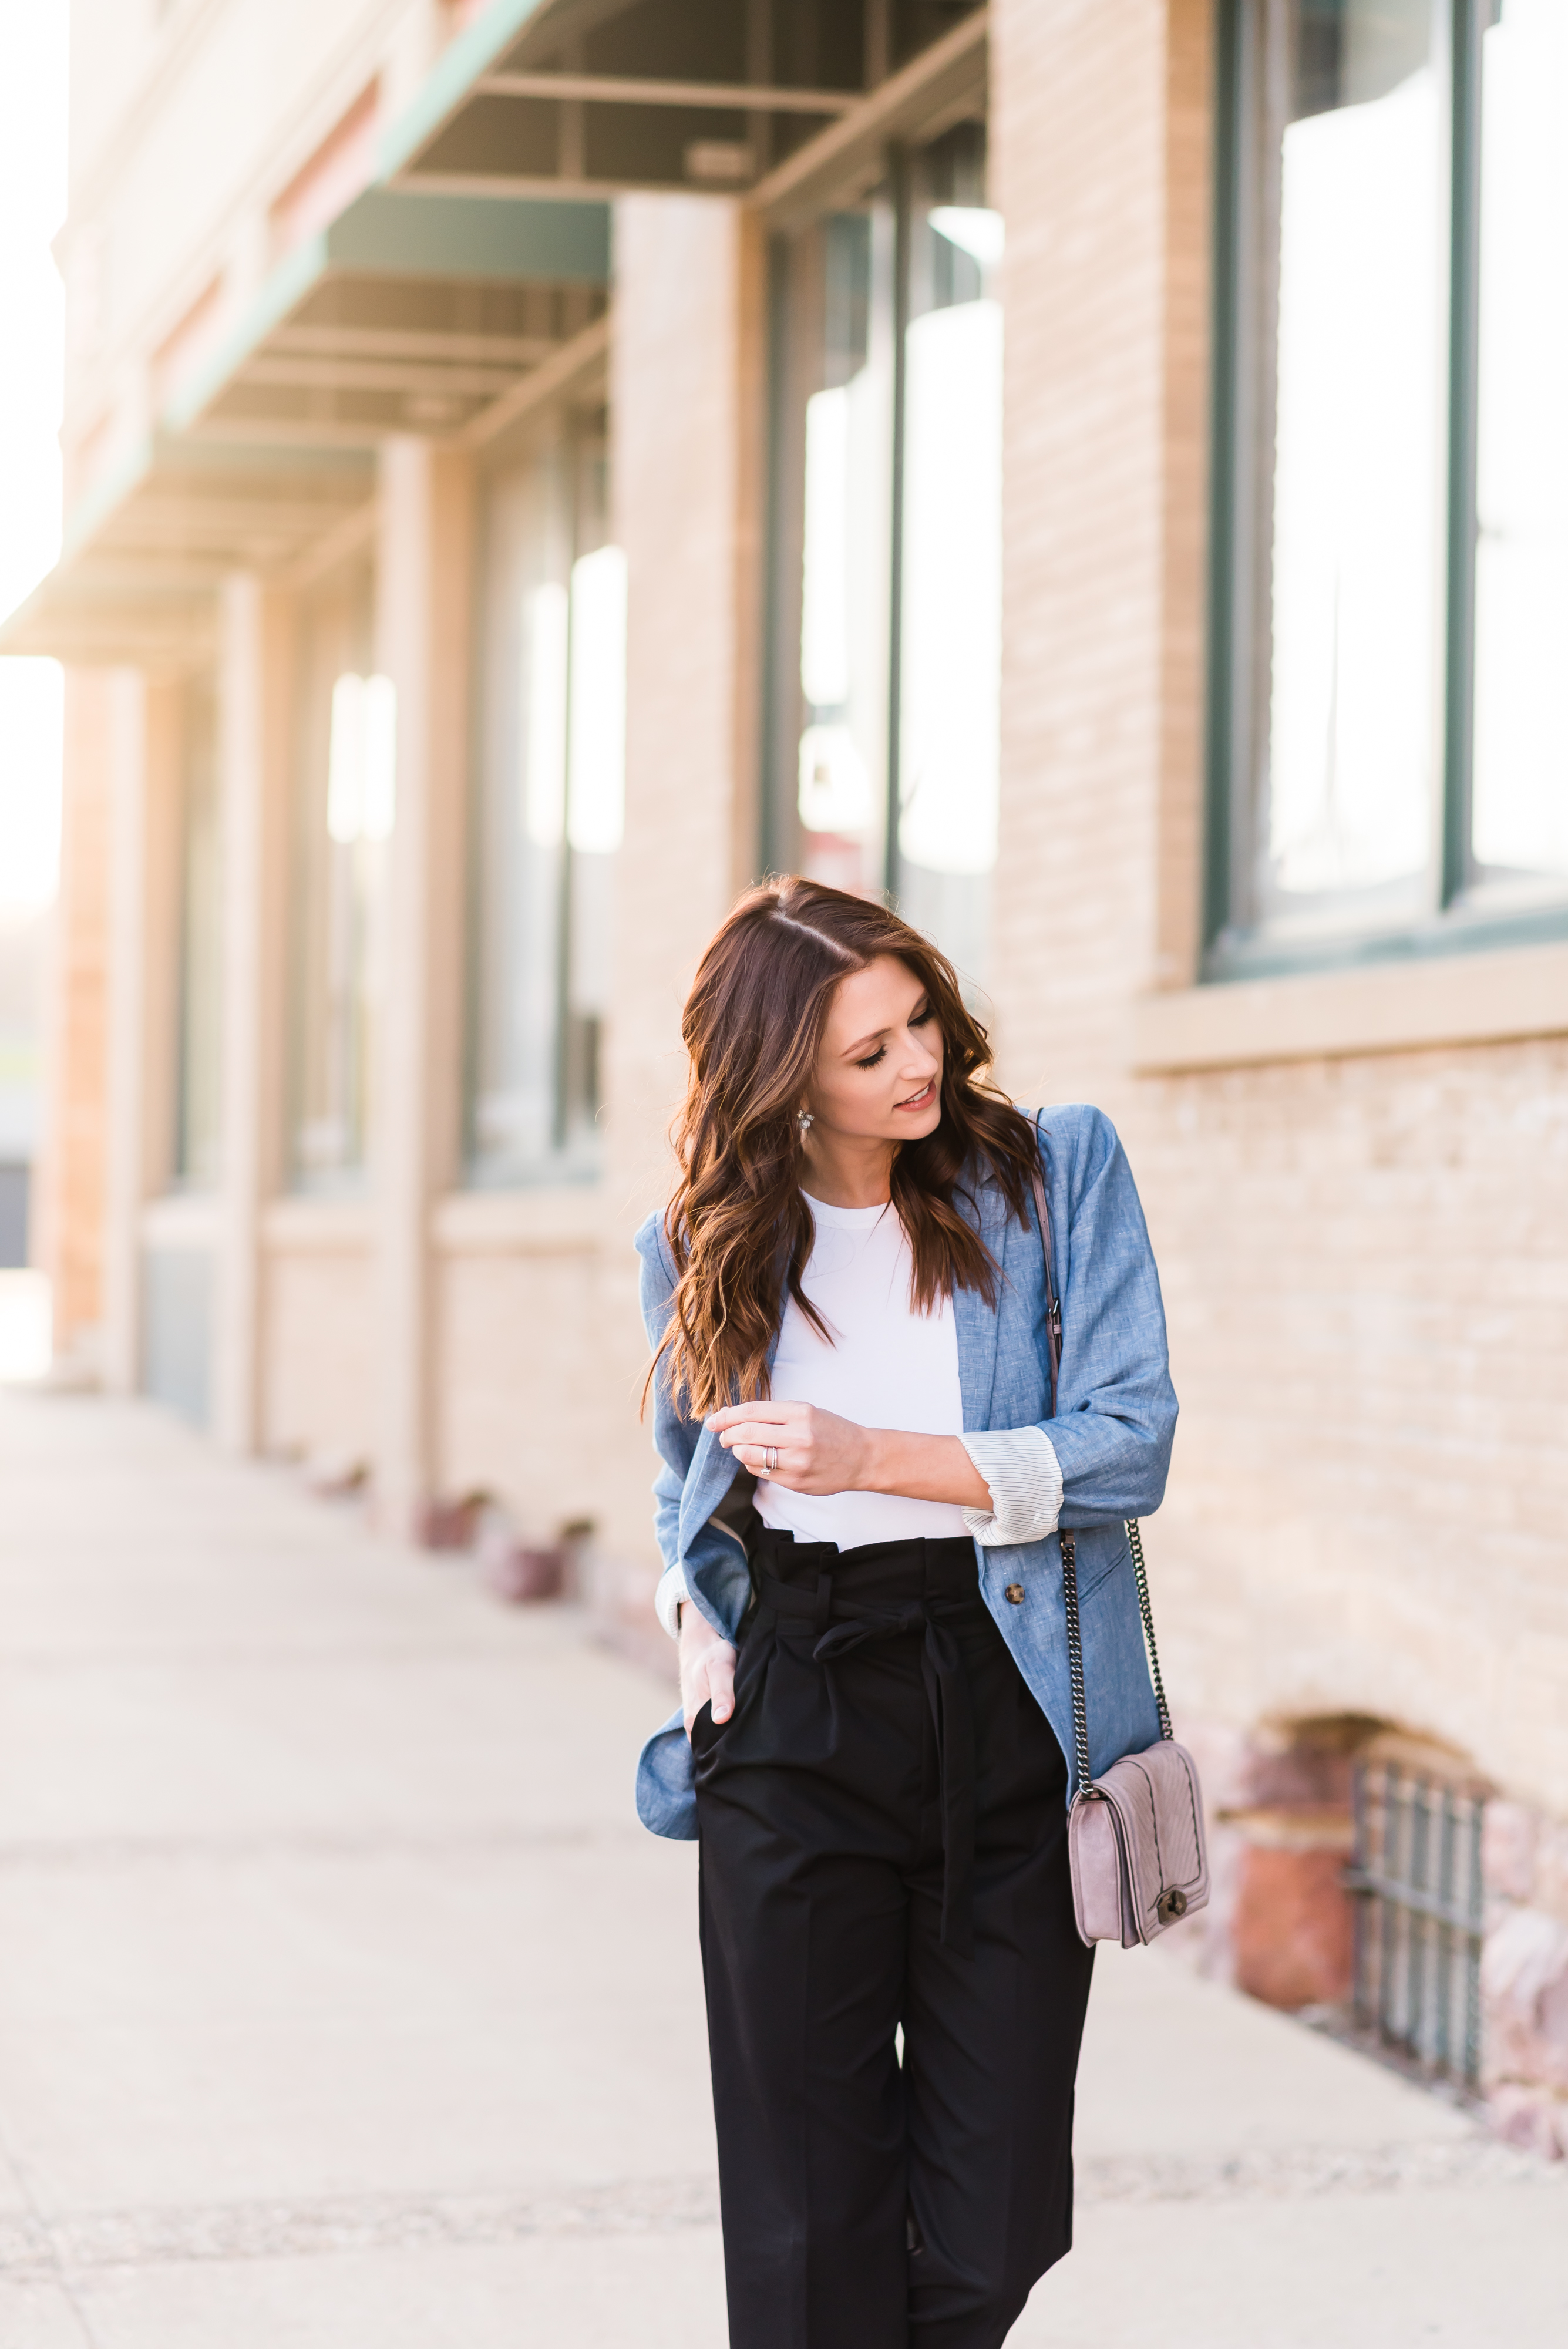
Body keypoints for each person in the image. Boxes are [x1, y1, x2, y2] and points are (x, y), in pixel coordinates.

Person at [634, 876, 1176, 2349]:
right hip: (796, 1702)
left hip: (1000, 1689)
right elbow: (689, 1488)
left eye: (918, 1016)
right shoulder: (705, 1237)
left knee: (995, 2218)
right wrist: (702, 1648)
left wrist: (882, 1459)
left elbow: (1132, 1441)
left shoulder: (1053, 1173)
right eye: (866, 1053)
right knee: (808, 2216)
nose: (916, 1063)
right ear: (780, 1076)